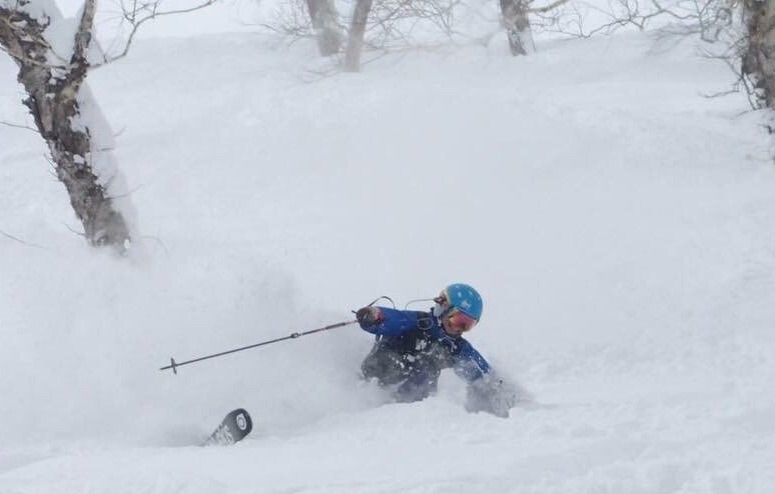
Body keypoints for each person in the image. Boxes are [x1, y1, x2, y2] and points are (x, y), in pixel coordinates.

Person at [355, 283, 518, 417]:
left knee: (437, 360)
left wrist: (501, 391)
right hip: (379, 374)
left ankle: (411, 408)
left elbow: (482, 373)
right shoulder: (417, 322)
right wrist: (374, 317)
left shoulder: (456, 347)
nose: (459, 329)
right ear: (443, 308)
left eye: (467, 325)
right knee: (426, 353)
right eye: (457, 320)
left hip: (407, 404)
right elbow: (392, 319)